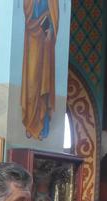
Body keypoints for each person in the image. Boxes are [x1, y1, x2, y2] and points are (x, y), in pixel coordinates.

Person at [21, 0, 59, 140]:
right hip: (31, 38)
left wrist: (51, 31)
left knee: (43, 82)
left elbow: (55, 16)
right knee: (31, 83)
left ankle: (42, 126)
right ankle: (30, 124)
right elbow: (27, 11)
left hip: (44, 40)